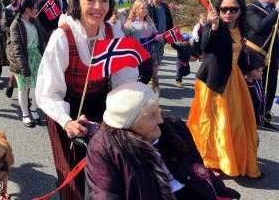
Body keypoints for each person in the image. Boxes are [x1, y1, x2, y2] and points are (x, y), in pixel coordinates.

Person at [36, 0, 138, 199]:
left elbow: (125, 79)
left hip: (101, 104)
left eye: (104, 0)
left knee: (105, 173)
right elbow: (49, 92)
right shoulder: (62, 37)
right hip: (66, 108)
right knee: (71, 176)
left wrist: (129, 110)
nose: (98, 7)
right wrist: (67, 121)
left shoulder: (114, 33)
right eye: (90, 0)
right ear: (77, 1)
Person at [85, 81, 241, 199]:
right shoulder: (105, 149)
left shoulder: (173, 127)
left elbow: (198, 169)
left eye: (158, 111)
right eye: (152, 116)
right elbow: (106, 195)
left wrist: (223, 193)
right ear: (129, 126)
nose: (161, 120)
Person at [187, 0, 261, 178]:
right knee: (212, 122)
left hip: (234, 79)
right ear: (218, 10)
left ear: (240, 11)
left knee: (234, 122)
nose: (228, 12)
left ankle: (230, 156)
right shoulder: (214, 26)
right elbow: (206, 48)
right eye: (224, 9)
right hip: (213, 81)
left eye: (233, 9)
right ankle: (209, 160)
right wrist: (212, 25)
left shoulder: (240, 29)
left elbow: (238, 55)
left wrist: (248, 70)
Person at [244, 0, 279, 130]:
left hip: (272, 56)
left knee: (270, 86)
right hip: (254, 55)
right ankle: (251, 116)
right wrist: (277, 11)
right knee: (254, 87)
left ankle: (264, 116)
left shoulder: (273, 9)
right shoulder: (250, 9)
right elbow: (259, 26)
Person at [7, 0, 48, 127]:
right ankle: (25, 114)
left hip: (37, 57)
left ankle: (34, 109)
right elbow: (17, 48)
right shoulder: (16, 24)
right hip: (22, 59)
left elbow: (45, 36)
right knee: (24, 88)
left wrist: (60, 30)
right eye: (35, 8)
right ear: (27, 9)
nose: (37, 10)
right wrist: (24, 68)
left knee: (38, 86)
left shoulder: (34, 21)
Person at [123, 0, 162, 84]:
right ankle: (133, 89)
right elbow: (124, 38)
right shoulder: (130, 23)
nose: (145, 10)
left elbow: (155, 33)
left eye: (146, 8)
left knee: (148, 74)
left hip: (147, 54)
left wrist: (157, 37)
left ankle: (140, 86)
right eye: (142, 8)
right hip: (135, 55)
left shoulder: (150, 22)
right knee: (133, 75)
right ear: (136, 9)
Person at [5, 0, 29, 98]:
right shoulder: (10, 8)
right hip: (14, 42)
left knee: (26, 68)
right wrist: (13, 33)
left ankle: (25, 95)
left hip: (28, 42)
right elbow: (4, 26)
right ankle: (11, 84)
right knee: (16, 67)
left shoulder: (29, 7)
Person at [148, 0, 174, 90]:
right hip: (152, 38)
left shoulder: (165, 7)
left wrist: (170, 35)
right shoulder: (148, 7)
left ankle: (152, 79)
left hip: (163, 38)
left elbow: (169, 21)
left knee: (158, 60)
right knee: (154, 61)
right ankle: (154, 80)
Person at [240, 49, 267, 127]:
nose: (261, 73)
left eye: (262, 70)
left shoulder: (258, 81)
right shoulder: (244, 86)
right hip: (248, 121)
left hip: (258, 118)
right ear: (248, 70)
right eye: (258, 71)